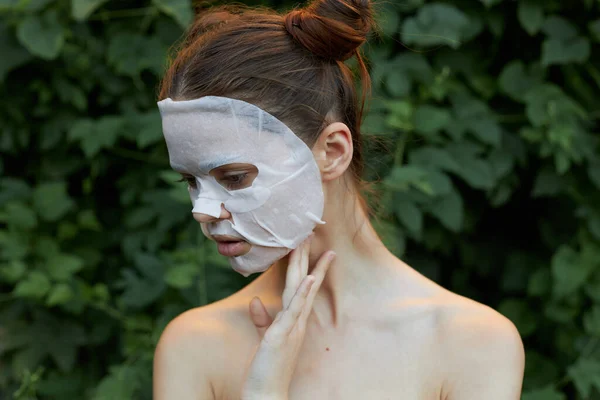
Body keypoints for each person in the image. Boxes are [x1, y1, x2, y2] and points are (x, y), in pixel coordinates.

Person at [152, 0, 525, 399]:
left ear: (332, 151)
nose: (201, 211)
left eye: (235, 177)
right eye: (191, 181)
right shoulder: (194, 345)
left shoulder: (470, 343)